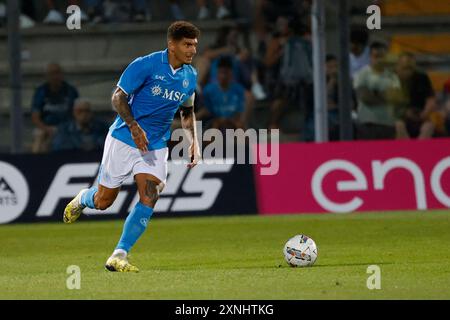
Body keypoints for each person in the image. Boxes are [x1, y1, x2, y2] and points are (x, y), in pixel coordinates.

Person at [63, 21, 201, 272]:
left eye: (194, 45)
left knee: (150, 194)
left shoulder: (190, 76)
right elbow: (117, 96)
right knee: (104, 201)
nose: (192, 50)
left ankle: (119, 254)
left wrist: (194, 143)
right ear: (172, 44)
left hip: (155, 145)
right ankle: (84, 197)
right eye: (187, 44)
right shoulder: (145, 64)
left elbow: (188, 111)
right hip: (124, 139)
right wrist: (134, 126)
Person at [354, 42, 402, 140]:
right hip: (368, 124)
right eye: (376, 56)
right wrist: (386, 96)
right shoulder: (362, 74)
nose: (379, 59)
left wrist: (375, 93)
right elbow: (365, 97)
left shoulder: (392, 76)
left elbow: (396, 97)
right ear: (370, 57)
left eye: (382, 56)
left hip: (388, 124)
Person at [31, 63, 79, 153]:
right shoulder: (41, 92)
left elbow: (77, 112)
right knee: (39, 136)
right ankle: (36, 162)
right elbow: (35, 117)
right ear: (47, 76)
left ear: (62, 74)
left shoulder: (70, 91)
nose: (55, 76)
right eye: (51, 73)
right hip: (46, 126)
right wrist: (46, 128)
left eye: (57, 73)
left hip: (67, 126)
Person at [394, 52, 436, 139]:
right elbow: (390, 104)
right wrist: (405, 113)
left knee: (429, 127)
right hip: (401, 118)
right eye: (405, 68)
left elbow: (431, 100)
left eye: (410, 68)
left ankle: (420, 151)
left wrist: (425, 113)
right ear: (398, 66)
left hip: (420, 116)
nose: (408, 71)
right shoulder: (392, 79)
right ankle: (407, 151)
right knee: (398, 125)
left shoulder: (422, 78)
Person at [198, 56, 246, 130]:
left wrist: (230, 121)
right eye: (221, 72)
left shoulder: (238, 90)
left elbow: (239, 112)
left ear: (231, 73)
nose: (223, 76)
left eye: (226, 73)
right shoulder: (208, 90)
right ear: (217, 73)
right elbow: (207, 112)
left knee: (241, 128)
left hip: (233, 122)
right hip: (214, 122)